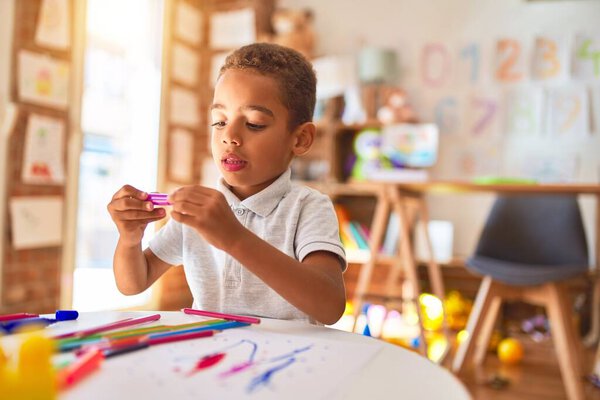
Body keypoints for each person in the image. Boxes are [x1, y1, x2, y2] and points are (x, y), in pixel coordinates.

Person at [107, 43, 347, 325]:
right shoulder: (199, 213)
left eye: (255, 123)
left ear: (301, 139)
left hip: (287, 362)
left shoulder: (308, 207)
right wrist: (130, 239)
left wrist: (234, 238)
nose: (229, 136)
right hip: (213, 357)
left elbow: (330, 306)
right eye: (219, 122)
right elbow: (133, 283)